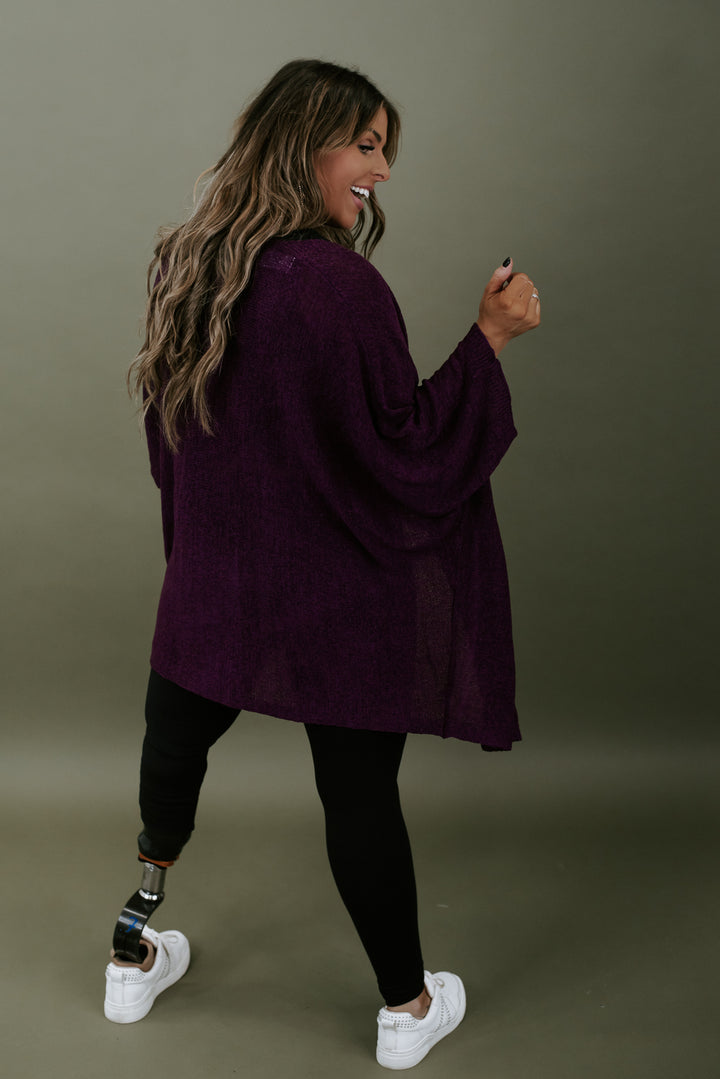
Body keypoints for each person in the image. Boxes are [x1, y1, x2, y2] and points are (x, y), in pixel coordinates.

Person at [104, 58, 540, 1070]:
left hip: (217, 582)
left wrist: (209, 553)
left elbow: (173, 439)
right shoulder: (339, 285)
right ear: (307, 144)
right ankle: (407, 1007)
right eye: (368, 146)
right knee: (358, 794)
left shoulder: (184, 262)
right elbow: (408, 445)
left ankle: (131, 950)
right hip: (337, 594)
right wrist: (489, 338)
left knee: (173, 745)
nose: (381, 171)